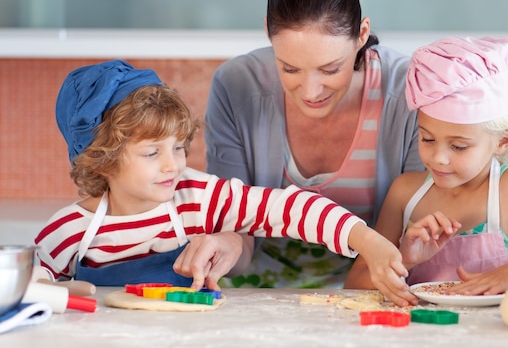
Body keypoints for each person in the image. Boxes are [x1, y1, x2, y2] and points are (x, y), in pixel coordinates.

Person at [35, 60, 415, 306]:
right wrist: (47, 292)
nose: (173, 165)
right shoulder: (70, 231)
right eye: (152, 154)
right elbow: (25, 289)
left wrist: (368, 241)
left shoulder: (197, 198)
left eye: (179, 147)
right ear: (101, 161)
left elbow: (290, 208)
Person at [205, 0, 424, 289]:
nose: (310, 90)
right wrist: (226, 243)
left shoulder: (407, 92)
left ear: (362, 34)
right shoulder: (235, 87)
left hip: (369, 287)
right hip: (256, 294)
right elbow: (233, 217)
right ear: (268, 33)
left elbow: (412, 230)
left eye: (330, 69)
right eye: (289, 68)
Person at [344, 36, 508, 295]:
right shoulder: (405, 194)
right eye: (427, 138)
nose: (439, 158)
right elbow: (354, 284)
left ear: (502, 141)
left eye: (458, 146)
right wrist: (405, 260)